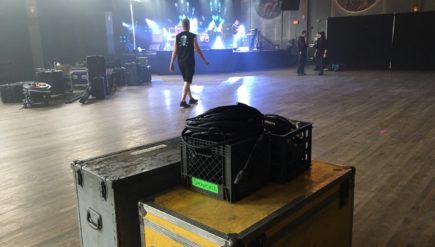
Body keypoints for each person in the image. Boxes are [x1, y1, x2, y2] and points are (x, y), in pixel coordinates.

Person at [169, 19, 209, 108]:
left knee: (186, 81)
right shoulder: (192, 36)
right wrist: (204, 60)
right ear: (189, 25)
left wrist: (171, 63)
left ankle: (190, 98)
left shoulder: (177, 36)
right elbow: (197, 49)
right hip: (189, 61)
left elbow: (174, 50)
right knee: (187, 81)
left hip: (180, 62)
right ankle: (182, 100)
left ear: (182, 26)